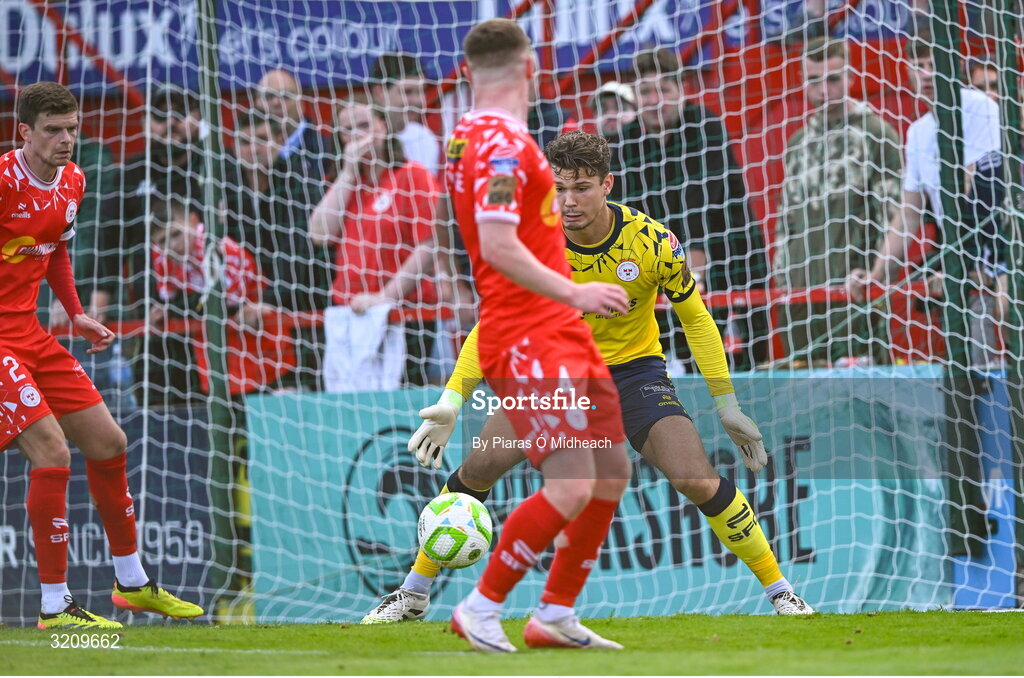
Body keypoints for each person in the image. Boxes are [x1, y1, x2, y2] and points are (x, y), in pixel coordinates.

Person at [362, 131, 812, 626]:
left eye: (581, 187)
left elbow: (697, 320)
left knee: (695, 477)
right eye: (559, 187)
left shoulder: (654, 243)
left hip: (633, 373)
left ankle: (783, 593)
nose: (568, 201)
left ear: (607, 185)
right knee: (480, 467)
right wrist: (452, 399)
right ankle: (412, 594)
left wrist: (727, 405)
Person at [443, 19, 634, 652]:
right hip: (529, 334)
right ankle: (481, 605)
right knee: (573, 483)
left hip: (558, 331)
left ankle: (554, 612)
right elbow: (496, 245)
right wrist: (576, 291)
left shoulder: (468, 135)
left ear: (469, 71)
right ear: (531, 68)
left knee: (610, 470)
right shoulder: (500, 144)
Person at [2, 82, 202, 628]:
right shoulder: (3, 182)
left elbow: (57, 249)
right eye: (53, 130)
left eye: (72, 129)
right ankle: (53, 607)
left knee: (109, 442)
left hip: (32, 333)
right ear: (25, 132)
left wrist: (77, 311)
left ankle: (132, 582)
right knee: (52, 453)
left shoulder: (74, 180)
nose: (67, 140)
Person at [847, 39, 1007, 369]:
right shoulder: (918, 132)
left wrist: (972, 269)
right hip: (961, 272)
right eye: (919, 65)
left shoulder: (981, 108)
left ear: (955, 68)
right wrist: (875, 276)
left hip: (999, 259)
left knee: (992, 362)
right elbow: (907, 217)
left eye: (934, 64)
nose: (927, 73)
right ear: (907, 73)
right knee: (969, 369)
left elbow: (986, 197)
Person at [614, 48, 768, 370]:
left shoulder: (706, 127)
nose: (655, 100)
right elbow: (625, 210)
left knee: (730, 365)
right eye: (645, 92)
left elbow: (708, 201)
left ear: (681, 91)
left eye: (664, 90)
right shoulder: (624, 143)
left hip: (729, 263)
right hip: (656, 267)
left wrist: (693, 260)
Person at [774, 39, 902, 365]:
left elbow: (894, 217)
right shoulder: (797, 142)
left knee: (864, 399)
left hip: (856, 288)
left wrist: (877, 273)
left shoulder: (877, 133)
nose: (824, 89)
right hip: (802, 295)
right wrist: (783, 280)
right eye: (814, 80)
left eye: (833, 79)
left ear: (850, 78)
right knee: (803, 397)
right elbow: (785, 220)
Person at [310, 102, 439, 386]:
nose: (356, 135)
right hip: (350, 315)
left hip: (405, 315)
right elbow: (319, 234)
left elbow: (430, 245)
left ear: (383, 126)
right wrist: (347, 174)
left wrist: (385, 297)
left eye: (364, 126)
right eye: (347, 130)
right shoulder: (343, 184)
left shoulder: (412, 175)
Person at [150, 197, 290, 396]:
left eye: (176, 234)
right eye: (163, 240)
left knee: (267, 399)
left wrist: (181, 307)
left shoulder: (221, 249)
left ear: (193, 221)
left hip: (255, 327)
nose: (172, 245)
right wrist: (161, 312)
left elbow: (229, 305)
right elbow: (169, 300)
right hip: (213, 337)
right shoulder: (160, 255)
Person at [255, 68, 334, 179]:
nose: (276, 103)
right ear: (256, 102)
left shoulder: (326, 151)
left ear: (301, 102)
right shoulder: (245, 151)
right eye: (269, 96)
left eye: (285, 96)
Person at [369, 55, 441, 175]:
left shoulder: (424, 138)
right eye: (407, 92)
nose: (417, 100)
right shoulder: (359, 136)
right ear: (380, 92)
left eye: (422, 91)